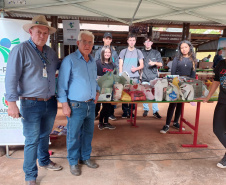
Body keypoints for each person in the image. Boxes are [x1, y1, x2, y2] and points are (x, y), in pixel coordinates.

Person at [5, 15, 62, 185]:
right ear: (31, 31)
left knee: (45, 135)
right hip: (30, 103)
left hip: (50, 102)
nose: (42, 36)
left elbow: (59, 69)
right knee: (32, 139)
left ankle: (44, 160)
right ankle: (30, 175)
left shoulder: (51, 53)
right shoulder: (20, 50)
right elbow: (11, 77)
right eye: (39, 32)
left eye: (46, 33)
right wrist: (12, 103)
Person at [57, 31, 100, 176]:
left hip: (90, 105)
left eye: (90, 42)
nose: (87, 45)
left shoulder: (93, 61)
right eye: (84, 42)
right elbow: (61, 84)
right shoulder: (70, 60)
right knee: (73, 135)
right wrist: (64, 104)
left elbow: (94, 80)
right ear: (78, 43)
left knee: (88, 133)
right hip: (75, 105)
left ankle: (85, 157)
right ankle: (73, 162)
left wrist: (98, 91)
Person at [160, 40, 196, 134]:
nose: (184, 49)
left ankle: (176, 122)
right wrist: (175, 84)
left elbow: (193, 74)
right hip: (176, 84)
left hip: (186, 85)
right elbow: (173, 72)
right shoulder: (177, 58)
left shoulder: (192, 59)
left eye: (185, 47)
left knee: (181, 103)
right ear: (180, 49)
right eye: (182, 48)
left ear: (189, 47)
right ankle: (167, 124)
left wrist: (190, 85)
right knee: (173, 103)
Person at [198, 58, 226, 168]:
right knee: (218, 129)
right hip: (223, 100)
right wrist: (208, 96)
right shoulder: (222, 63)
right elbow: (217, 80)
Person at [94, 32, 119, 121]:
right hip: (100, 82)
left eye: (109, 39)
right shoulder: (98, 51)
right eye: (106, 38)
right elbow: (95, 65)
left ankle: (110, 114)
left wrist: (116, 77)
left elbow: (116, 65)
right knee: (98, 99)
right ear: (103, 39)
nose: (108, 40)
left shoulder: (114, 53)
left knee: (109, 100)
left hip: (110, 81)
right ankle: (95, 113)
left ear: (111, 40)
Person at [119, 34, 144, 118]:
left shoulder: (138, 52)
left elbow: (142, 65)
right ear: (127, 41)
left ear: (135, 41)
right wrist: (120, 74)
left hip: (135, 77)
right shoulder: (123, 51)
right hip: (125, 77)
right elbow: (120, 64)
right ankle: (125, 112)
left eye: (133, 40)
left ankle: (131, 111)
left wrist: (136, 68)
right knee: (125, 94)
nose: (132, 42)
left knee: (134, 95)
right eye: (130, 40)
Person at [140, 37, 163, 119]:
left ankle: (155, 111)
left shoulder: (156, 53)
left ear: (152, 43)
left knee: (155, 94)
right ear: (144, 43)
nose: (148, 43)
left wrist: (154, 63)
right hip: (144, 77)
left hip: (154, 77)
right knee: (145, 94)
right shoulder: (141, 53)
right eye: (146, 42)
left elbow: (161, 64)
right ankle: (145, 109)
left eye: (149, 42)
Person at [96, 46, 116, 130]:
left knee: (107, 106)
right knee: (102, 105)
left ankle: (106, 122)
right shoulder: (98, 63)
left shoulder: (112, 64)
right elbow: (95, 76)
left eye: (109, 52)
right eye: (105, 52)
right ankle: (101, 122)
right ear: (102, 53)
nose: (107, 54)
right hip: (100, 88)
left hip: (109, 88)